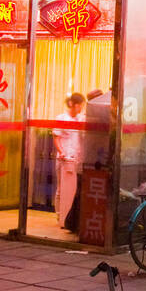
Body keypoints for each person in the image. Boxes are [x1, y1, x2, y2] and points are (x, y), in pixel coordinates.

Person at [53, 92, 87, 232]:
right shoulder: (61, 118)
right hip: (64, 157)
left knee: (73, 188)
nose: (81, 108)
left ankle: (69, 216)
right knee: (61, 189)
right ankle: (60, 216)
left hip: (77, 158)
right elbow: (56, 138)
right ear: (74, 104)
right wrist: (62, 152)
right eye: (80, 105)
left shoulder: (81, 119)